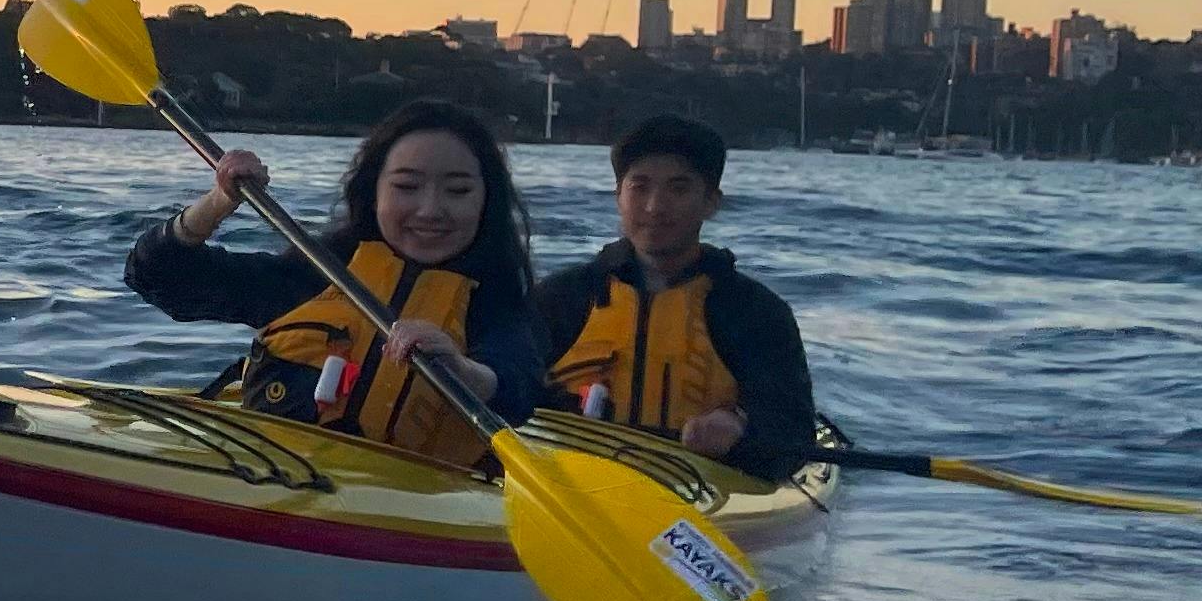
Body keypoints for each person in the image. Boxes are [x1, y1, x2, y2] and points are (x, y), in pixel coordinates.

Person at [125, 97, 546, 466]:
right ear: (374, 191)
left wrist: (460, 368)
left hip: (409, 501)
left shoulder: (496, 302)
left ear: (486, 201)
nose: (430, 209)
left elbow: (517, 387)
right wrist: (218, 202)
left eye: (458, 191)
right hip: (274, 471)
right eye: (406, 186)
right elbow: (160, 277)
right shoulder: (320, 271)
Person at [530, 113, 819, 475]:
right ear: (618, 196)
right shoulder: (561, 298)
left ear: (711, 202)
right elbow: (509, 393)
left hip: (698, 487)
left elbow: (792, 436)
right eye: (639, 187)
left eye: (678, 189)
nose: (655, 207)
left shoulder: (756, 313)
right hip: (567, 481)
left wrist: (740, 428)